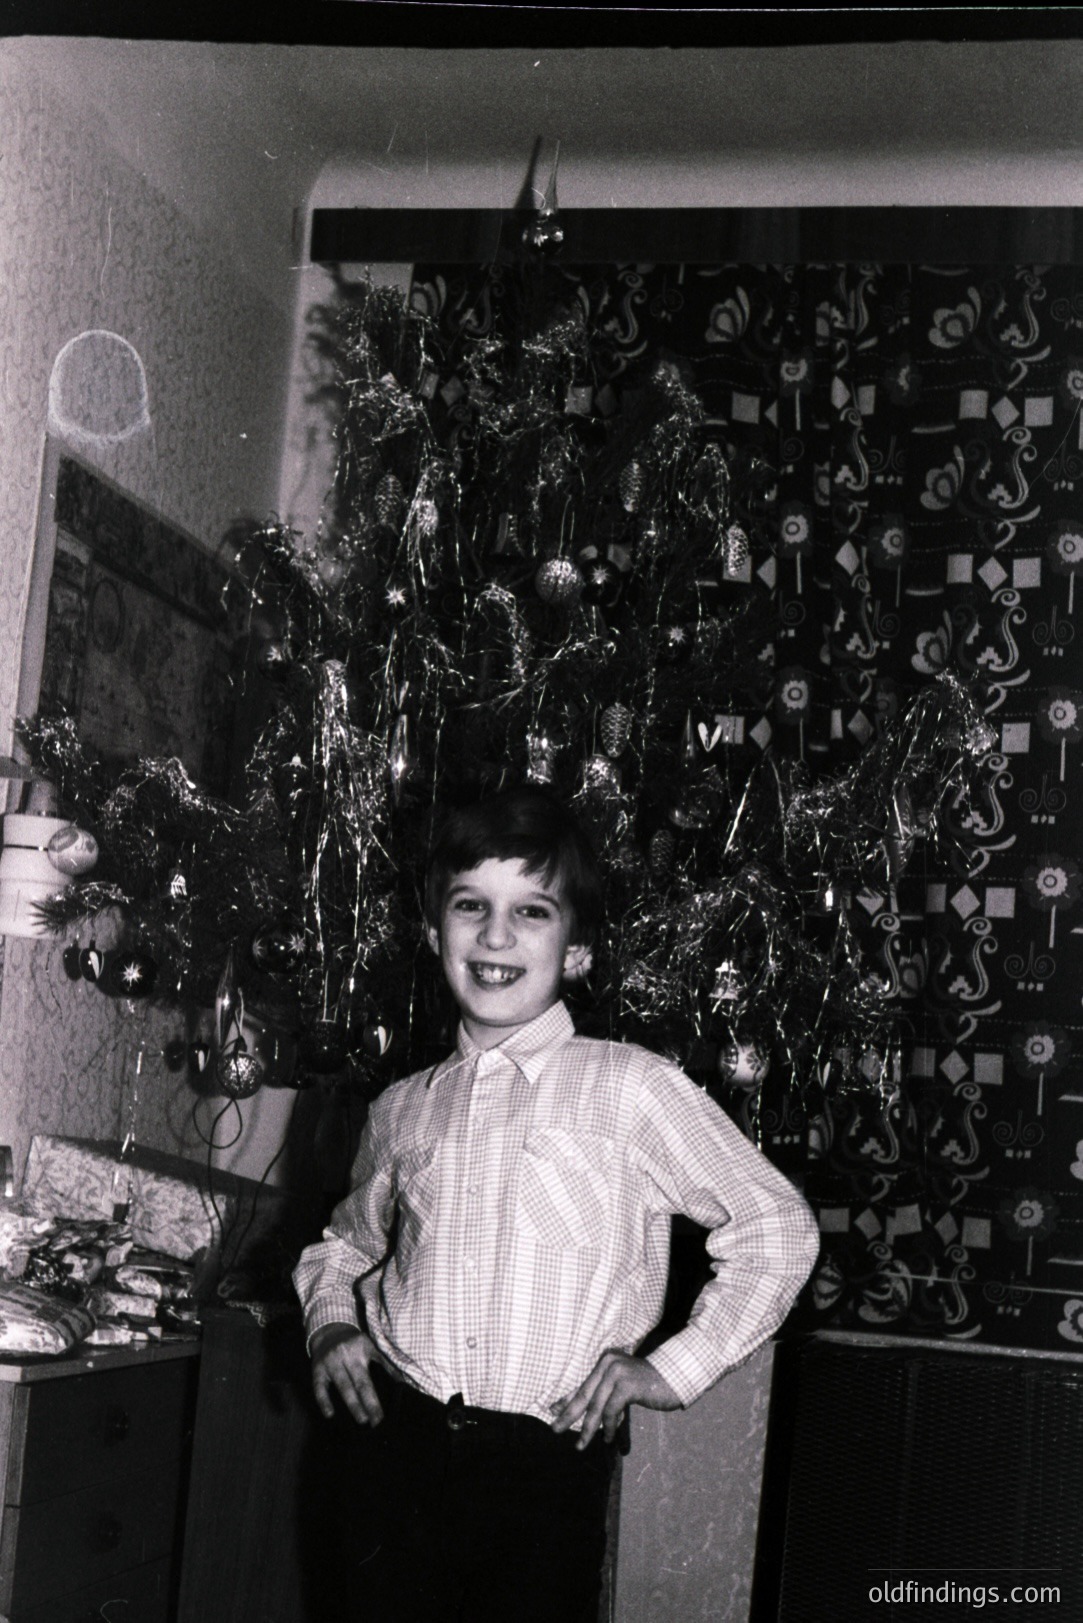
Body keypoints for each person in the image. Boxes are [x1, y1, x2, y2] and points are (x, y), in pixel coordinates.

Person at [293, 785, 819, 1622]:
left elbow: (775, 1227)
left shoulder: (632, 1086)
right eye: (471, 906)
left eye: (531, 912)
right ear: (435, 934)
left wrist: (668, 1370)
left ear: (575, 952)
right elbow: (345, 1245)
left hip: (543, 1469)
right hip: (394, 1450)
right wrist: (330, 1325)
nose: (496, 936)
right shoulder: (402, 1107)